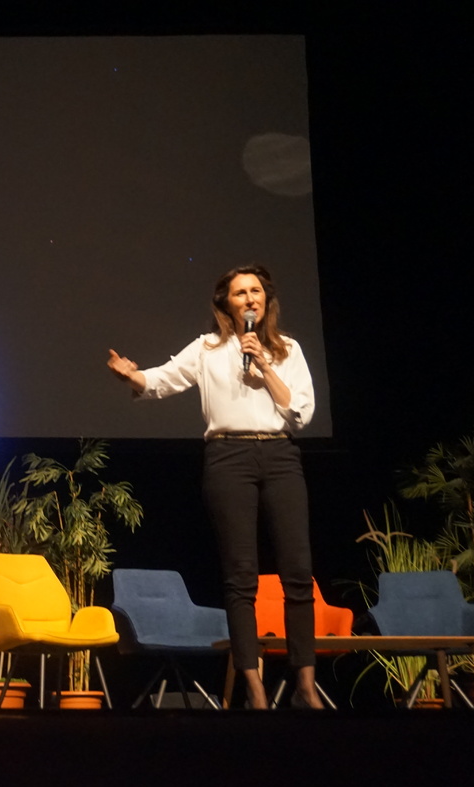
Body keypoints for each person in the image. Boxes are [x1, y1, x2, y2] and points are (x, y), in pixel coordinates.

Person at [106, 264, 325, 709]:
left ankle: (305, 684)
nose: (249, 298)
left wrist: (264, 364)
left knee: (298, 573)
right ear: (226, 303)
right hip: (228, 457)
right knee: (241, 576)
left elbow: (301, 413)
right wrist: (132, 376)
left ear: (266, 300)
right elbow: (162, 379)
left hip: (280, 455)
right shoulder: (207, 349)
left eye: (256, 291)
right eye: (240, 293)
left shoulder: (287, 350)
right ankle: (255, 687)